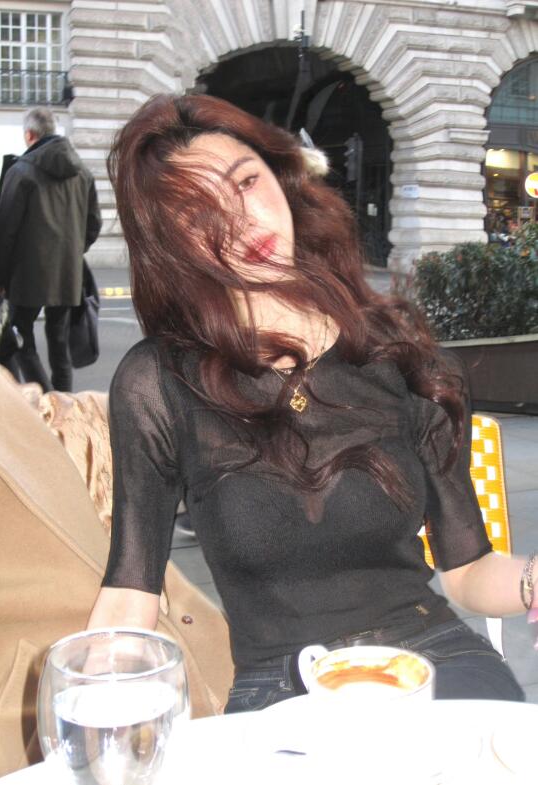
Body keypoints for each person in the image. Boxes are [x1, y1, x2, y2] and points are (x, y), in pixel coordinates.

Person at [89, 93, 535, 711]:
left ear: (282, 177)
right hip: (279, 689)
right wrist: (91, 696)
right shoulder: (159, 383)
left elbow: (467, 574)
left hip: (432, 660)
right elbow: (130, 593)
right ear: (172, 243)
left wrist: (532, 580)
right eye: (199, 212)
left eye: (247, 183)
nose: (242, 221)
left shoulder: (399, 355)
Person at [0, 107, 102, 392]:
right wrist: (72, 252)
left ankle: (43, 398)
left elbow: (5, 231)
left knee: (19, 339)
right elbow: (93, 224)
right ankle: (63, 403)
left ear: (30, 135)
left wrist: (0, 278)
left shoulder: (21, 172)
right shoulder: (82, 174)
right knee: (59, 343)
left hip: (27, 276)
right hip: (67, 274)